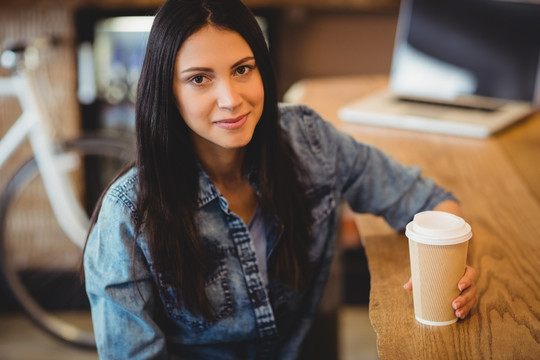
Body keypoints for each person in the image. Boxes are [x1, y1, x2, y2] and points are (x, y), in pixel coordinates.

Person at [83, 0, 478, 358]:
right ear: (167, 91)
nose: (231, 98)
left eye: (242, 69)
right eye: (200, 79)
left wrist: (456, 275)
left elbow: (428, 200)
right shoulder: (128, 216)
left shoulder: (310, 141)